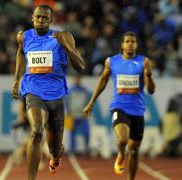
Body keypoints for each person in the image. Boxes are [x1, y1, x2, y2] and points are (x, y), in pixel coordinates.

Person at [11, 4, 85, 180]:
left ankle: (56, 155)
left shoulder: (63, 36)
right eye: (38, 17)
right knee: (36, 131)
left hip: (56, 94)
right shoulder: (24, 37)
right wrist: (16, 80)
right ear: (32, 18)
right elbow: (21, 54)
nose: (41, 20)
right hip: (33, 90)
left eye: (45, 18)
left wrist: (65, 46)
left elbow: (80, 66)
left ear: (51, 20)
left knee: (55, 148)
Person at [83, 32, 155, 180]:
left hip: (137, 110)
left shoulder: (144, 62)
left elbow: (151, 90)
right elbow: (102, 81)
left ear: (136, 45)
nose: (130, 44)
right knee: (122, 140)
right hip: (119, 106)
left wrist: (148, 75)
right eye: (127, 41)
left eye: (133, 41)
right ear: (122, 45)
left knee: (134, 150)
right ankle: (121, 154)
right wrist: (91, 102)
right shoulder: (112, 62)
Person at [65, 74, 90, 154]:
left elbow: (87, 102)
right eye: (76, 79)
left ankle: (87, 148)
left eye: (78, 79)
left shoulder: (84, 90)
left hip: (82, 115)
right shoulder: (70, 90)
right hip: (73, 115)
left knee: (86, 132)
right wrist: (68, 111)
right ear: (74, 80)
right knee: (72, 133)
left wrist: (86, 111)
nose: (77, 81)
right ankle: (72, 150)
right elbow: (67, 102)